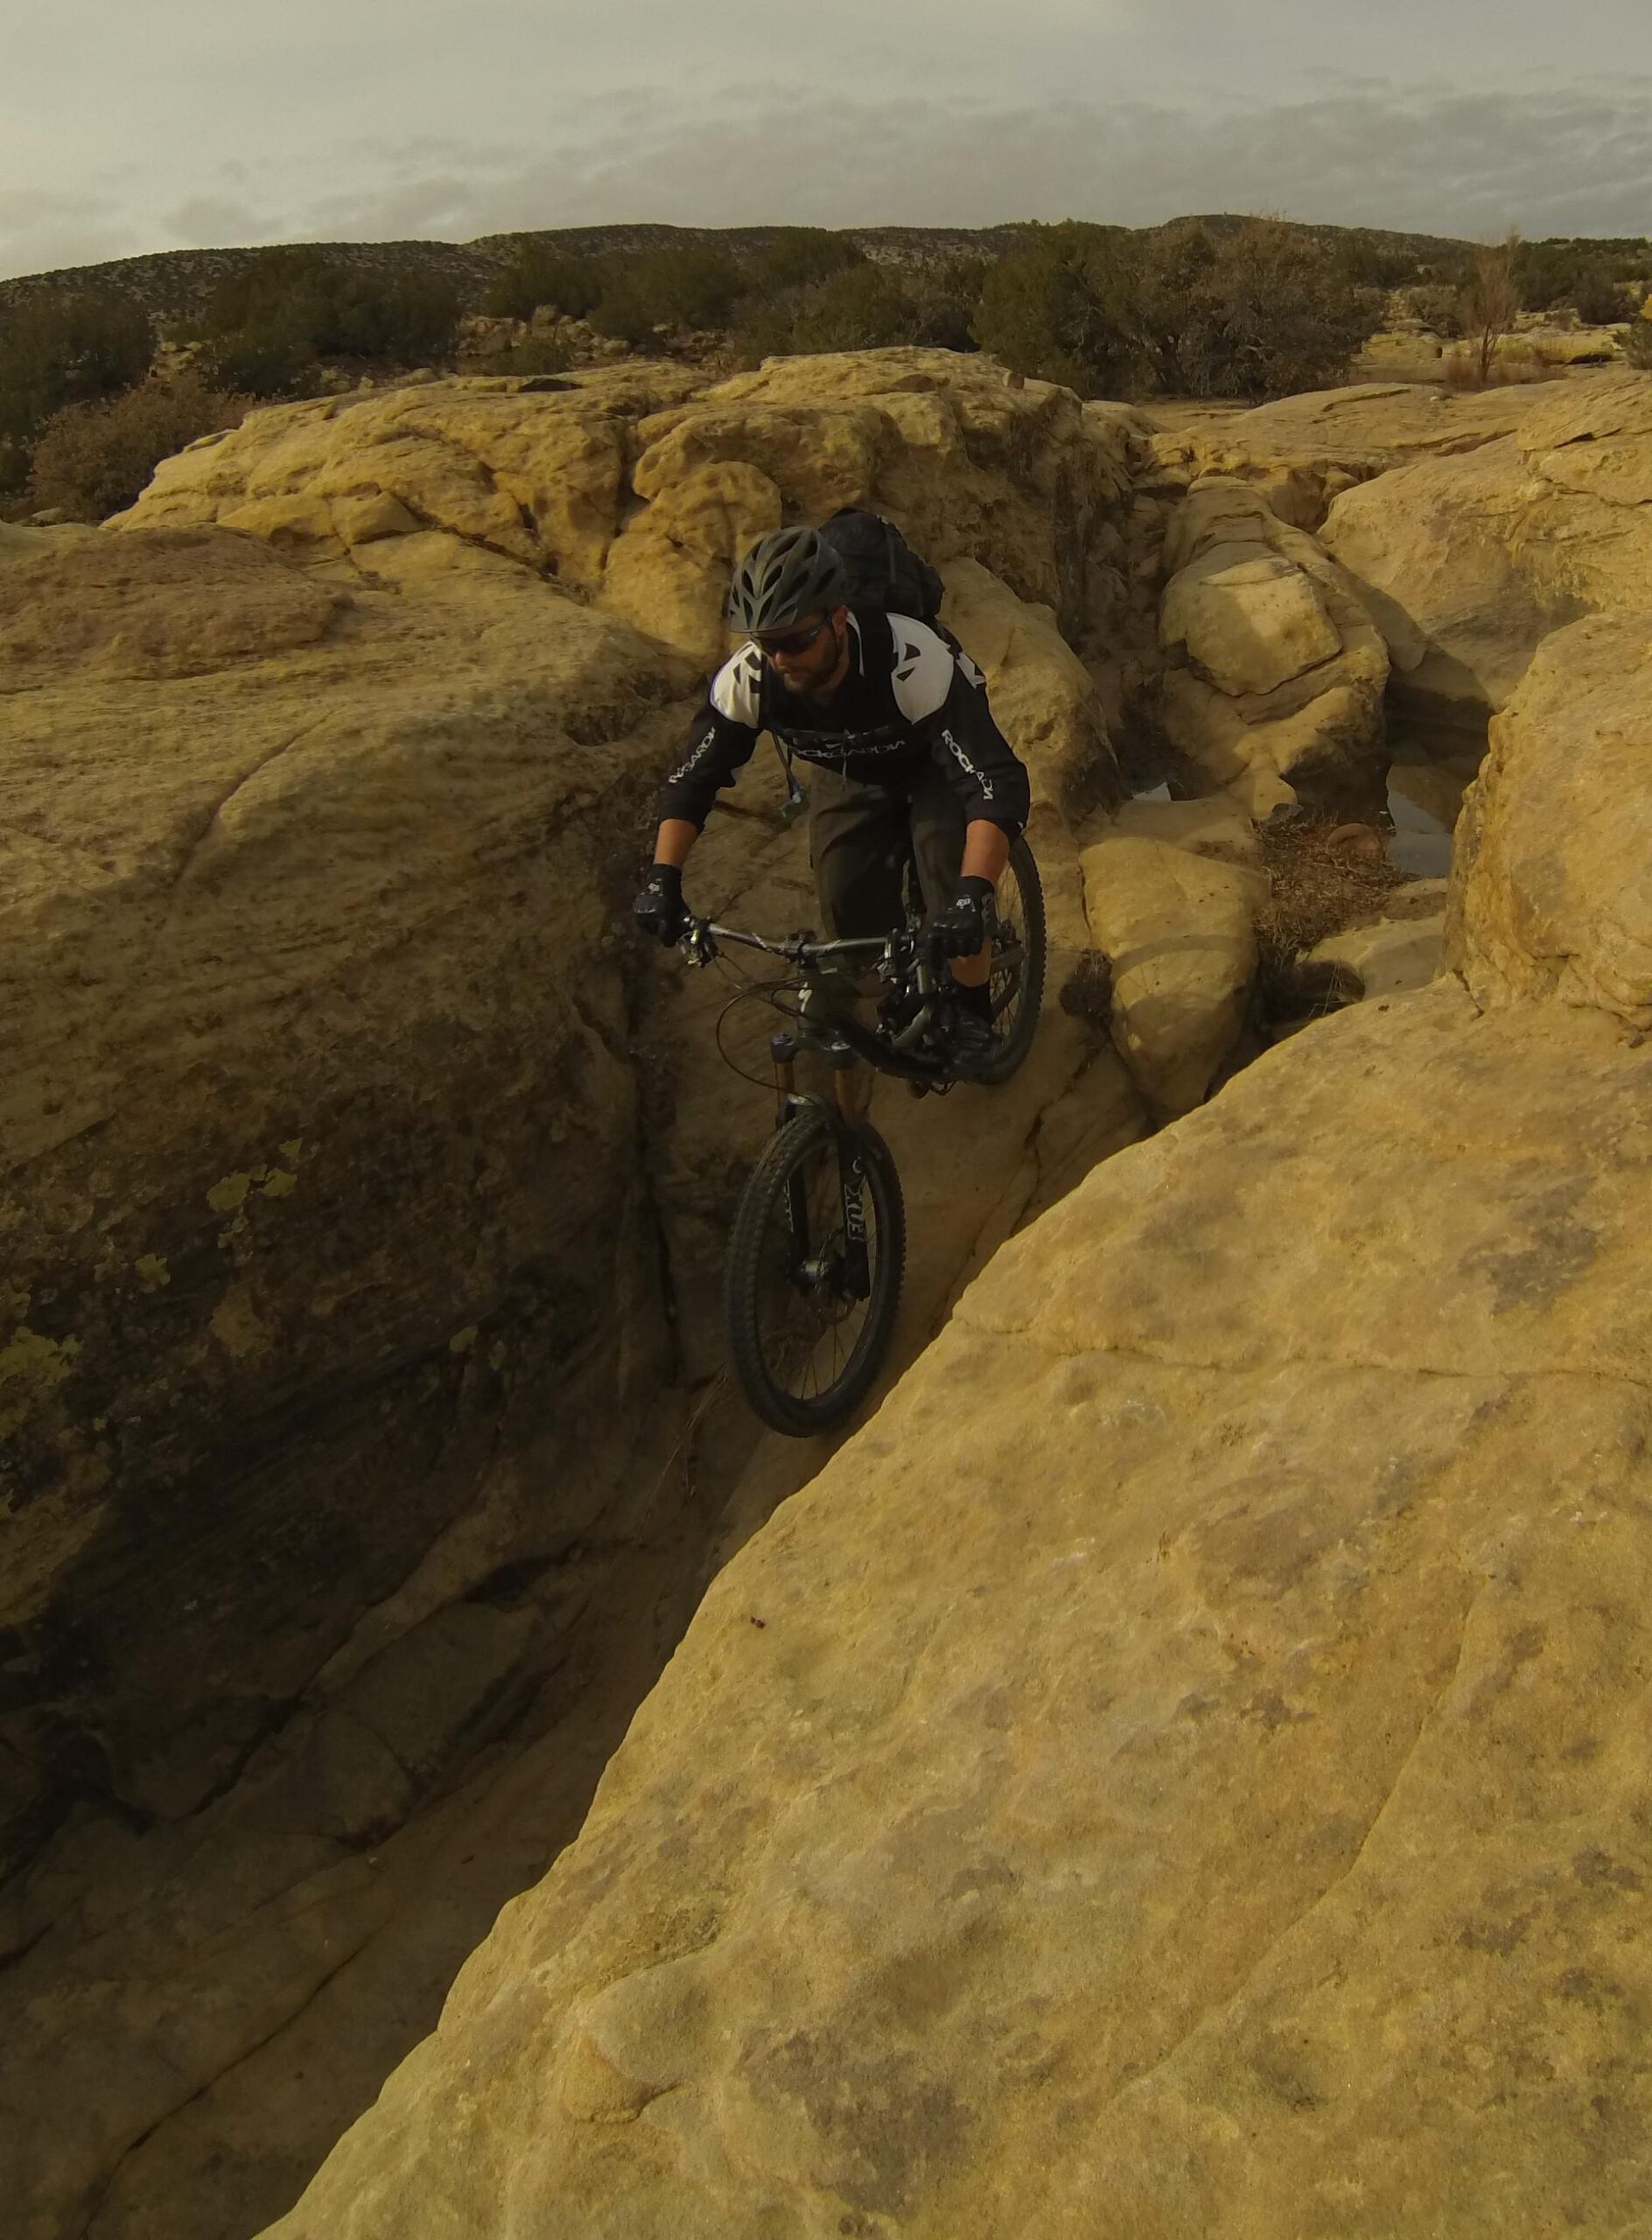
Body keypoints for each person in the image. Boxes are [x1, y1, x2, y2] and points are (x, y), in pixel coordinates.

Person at [632, 523, 1032, 1064]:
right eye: (766, 643)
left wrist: (973, 893)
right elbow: (691, 781)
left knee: (949, 876)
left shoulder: (910, 661)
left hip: (933, 760)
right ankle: (898, 996)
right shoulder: (750, 679)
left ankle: (973, 1008)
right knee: (845, 897)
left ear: (839, 619)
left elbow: (993, 784)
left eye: (797, 640)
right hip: (852, 764)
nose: (781, 659)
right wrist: (663, 878)